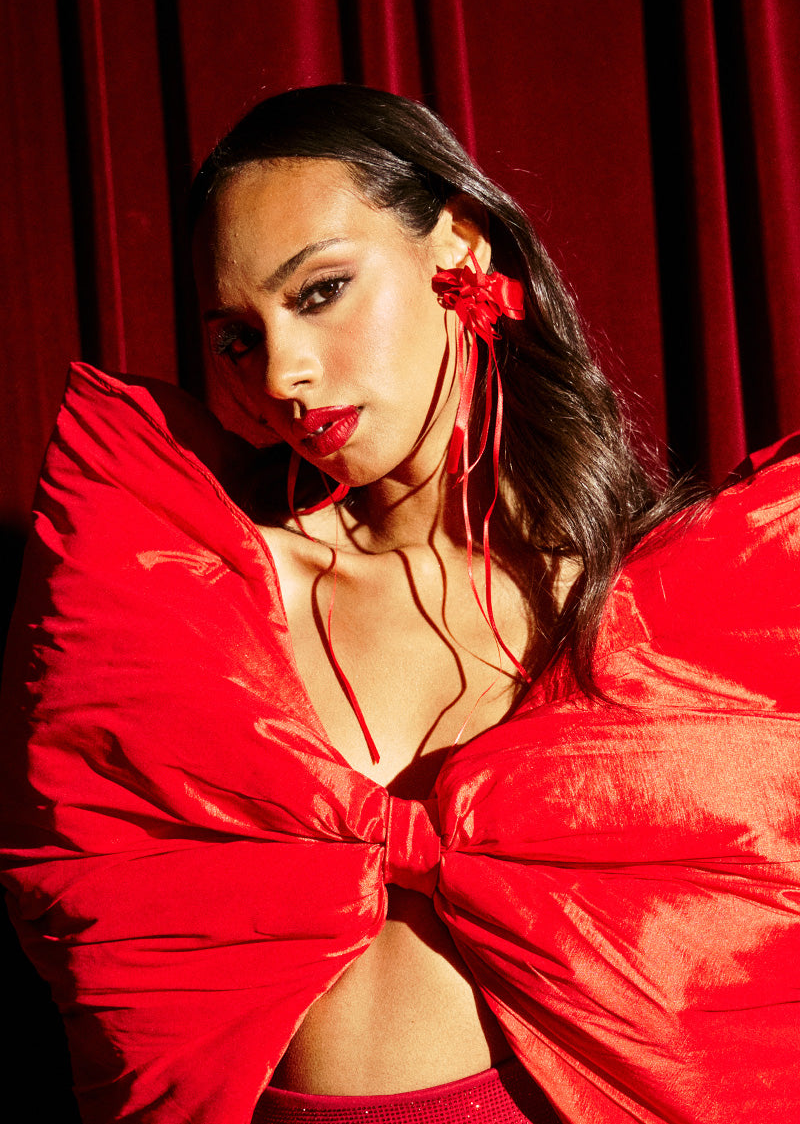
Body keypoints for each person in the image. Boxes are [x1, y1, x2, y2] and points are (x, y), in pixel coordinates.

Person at [1, 84, 799, 1124]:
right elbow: (87, 908)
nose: (284, 372)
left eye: (320, 290)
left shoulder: (672, 612)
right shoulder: (196, 602)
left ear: (458, 246)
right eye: (238, 336)